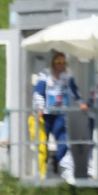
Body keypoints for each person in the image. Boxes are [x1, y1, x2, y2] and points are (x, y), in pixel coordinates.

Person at [32, 51, 88, 183]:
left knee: (63, 141)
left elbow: (74, 91)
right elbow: (38, 92)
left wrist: (81, 104)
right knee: (42, 144)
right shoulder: (45, 75)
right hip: (45, 114)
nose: (61, 65)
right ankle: (42, 173)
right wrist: (39, 107)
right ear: (53, 63)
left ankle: (67, 172)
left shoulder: (67, 76)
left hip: (60, 114)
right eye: (59, 62)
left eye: (63, 62)